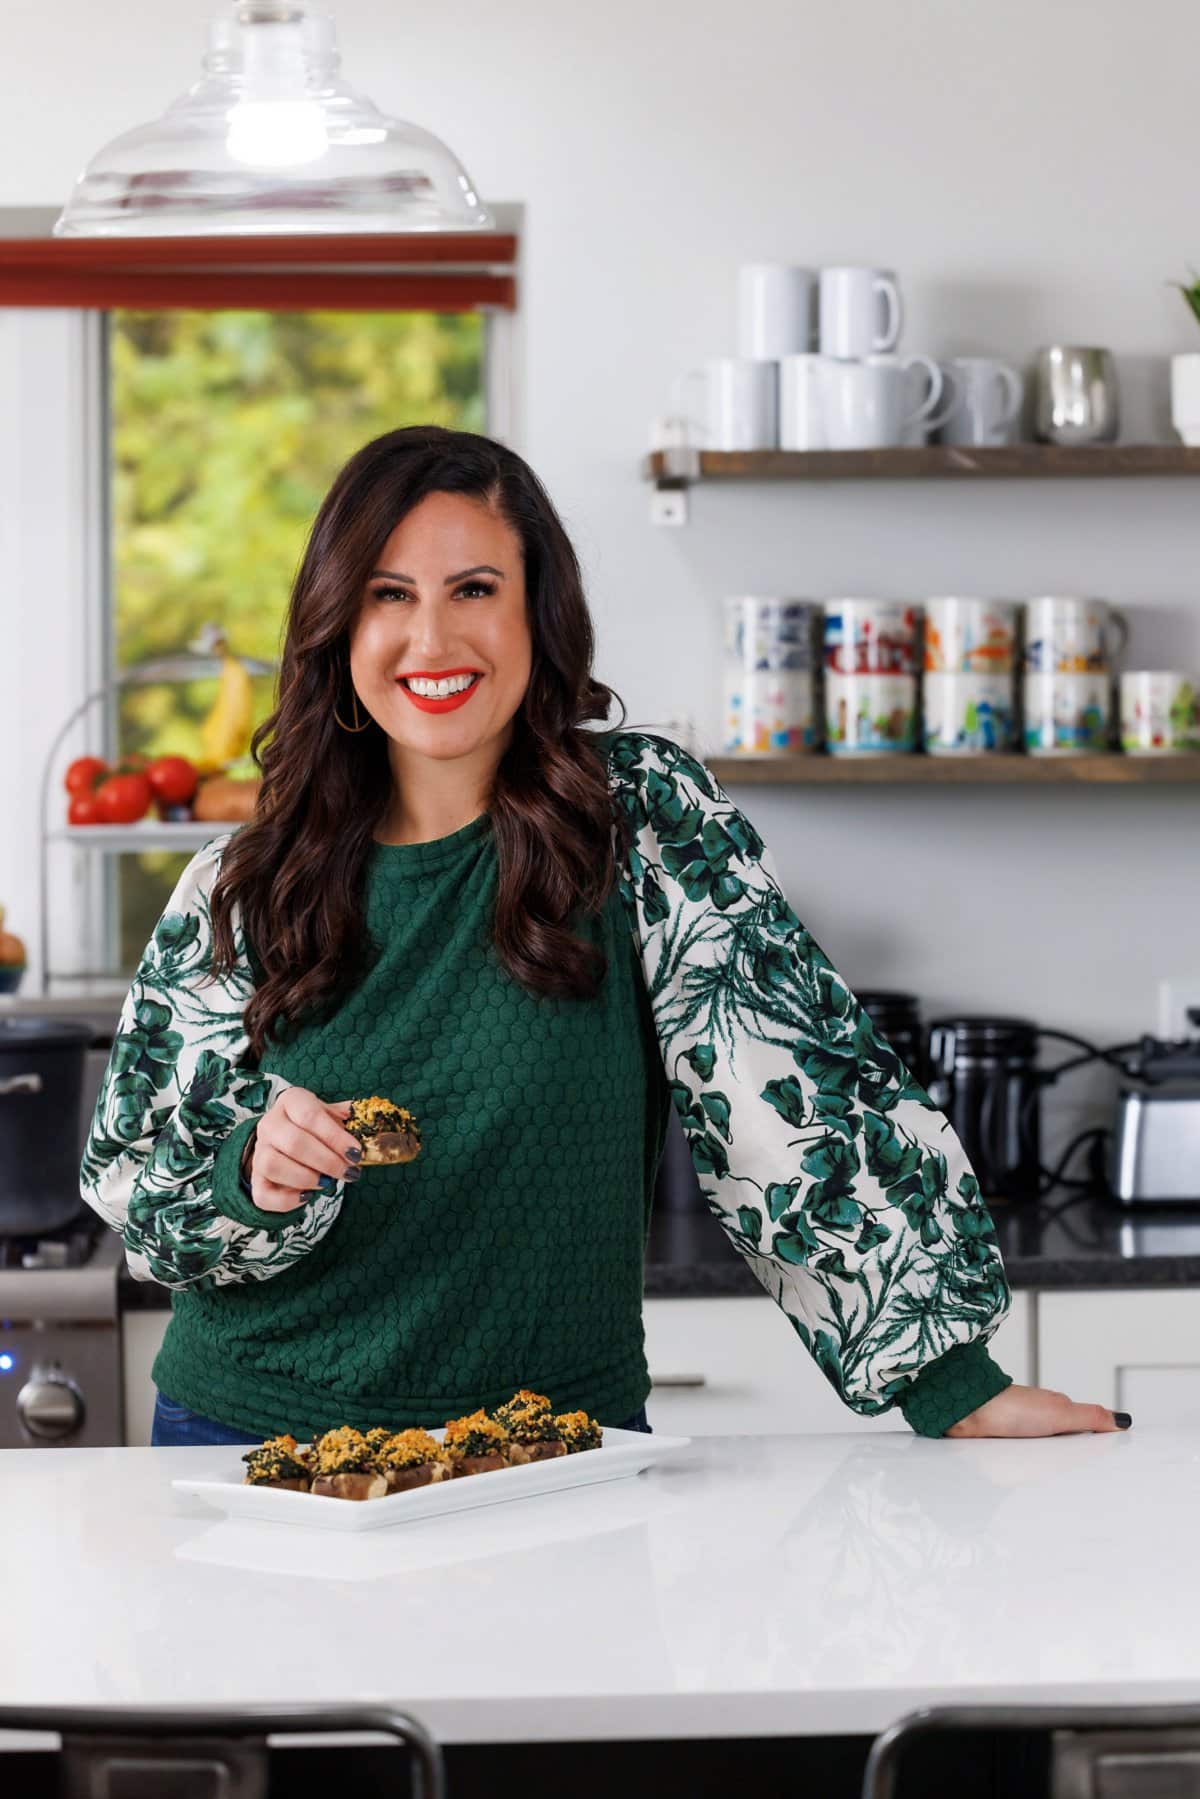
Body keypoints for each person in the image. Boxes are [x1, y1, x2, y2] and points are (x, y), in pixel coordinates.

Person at [80, 425, 1127, 1448]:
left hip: (554, 1447)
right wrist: (247, 1175)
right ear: (336, 625)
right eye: (387, 594)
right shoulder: (241, 881)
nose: (432, 640)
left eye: (474, 589)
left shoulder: (636, 818)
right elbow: (134, 1195)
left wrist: (950, 1378)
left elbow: (785, 1087)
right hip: (257, 1440)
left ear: (540, 612)